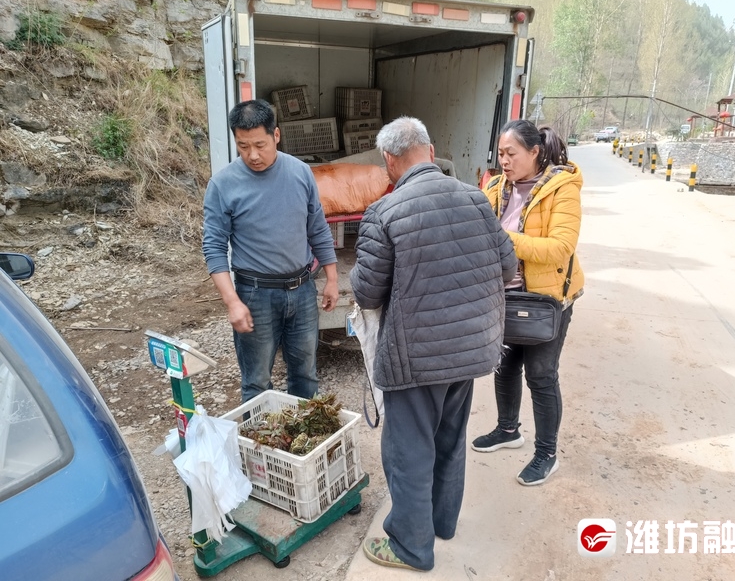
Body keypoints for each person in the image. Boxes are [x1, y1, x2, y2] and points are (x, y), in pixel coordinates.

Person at [351, 116, 517, 571]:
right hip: (471, 350)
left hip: (416, 358)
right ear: (430, 150)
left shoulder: (384, 212)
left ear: (389, 161)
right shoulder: (476, 199)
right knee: (449, 438)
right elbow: (508, 267)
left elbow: (367, 293)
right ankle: (442, 523)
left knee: (408, 451)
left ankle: (411, 547)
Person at [471, 120, 585, 487]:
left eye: (511, 154)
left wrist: (505, 239)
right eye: (500, 154)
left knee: (541, 374)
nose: (503, 161)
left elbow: (560, 247)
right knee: (504, 367)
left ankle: (546, 454)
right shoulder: (495, 187)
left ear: (534, 152)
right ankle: (508, 430)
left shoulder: (562, 189)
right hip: (505, 295)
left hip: (546, 299)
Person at [202, 99, 338, 403]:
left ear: (276, 135)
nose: (252, 155)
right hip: (255, 295)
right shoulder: (223, 185)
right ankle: (258, 435)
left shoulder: (300, 172)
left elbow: (317, 227)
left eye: (260, 145)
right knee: (257, 381)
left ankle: (304, 433)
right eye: (243, 146)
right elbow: (213, 247)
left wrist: (331, 278)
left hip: (302, 290)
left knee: (305, 375)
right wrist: (232, 302)